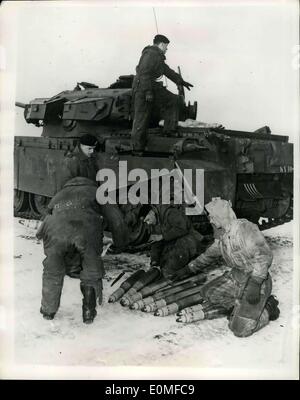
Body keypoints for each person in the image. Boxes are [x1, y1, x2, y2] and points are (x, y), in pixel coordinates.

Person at [173, 198, 280, 337]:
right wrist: (188, 269)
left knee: (239, 330)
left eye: (212, 216)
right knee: (207, 292)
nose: (210, 220)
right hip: (236, 277)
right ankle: (239, 305)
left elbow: (264, 255)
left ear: (220, 215)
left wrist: (256, 283)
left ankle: (268, 309)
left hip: (256, 280)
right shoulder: (224, 236)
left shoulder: (245, 228)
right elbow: (208, 255)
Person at [37, 177, 104, 324]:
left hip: (54, 230)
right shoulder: (97, 191)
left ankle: (48, 311)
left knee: (52, 269)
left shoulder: (60, 194)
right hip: (85, 230)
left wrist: (43, 235)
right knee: (91, 267)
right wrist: (121, 241)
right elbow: (116, 219)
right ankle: (88, 313)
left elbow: (47, 216)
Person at [131, 34, 193, 154]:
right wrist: (148, 92)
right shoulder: (150, 54)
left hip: (150, 85)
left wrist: (180, 81)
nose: (167, 49)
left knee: (173, 100)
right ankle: (137, 149)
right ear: (161, 44)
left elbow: (167, 71)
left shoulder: (157, 56)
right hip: (143, 88)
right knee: (141, 118)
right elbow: (144, 73)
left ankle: (169, 130)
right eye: (166, 46)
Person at [144, 183, 206, 279]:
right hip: (175, 243)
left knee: (169, 270)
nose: (148, 223)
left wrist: (163, 236)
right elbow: (156, 244)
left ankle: (189, 265)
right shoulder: (155, 221)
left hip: (190, 242)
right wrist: (154, 261)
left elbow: (183, 228)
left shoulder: (170, 212)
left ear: (151, 212)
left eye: (147, 219)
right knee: (162, 264)